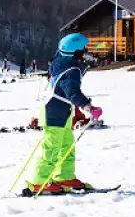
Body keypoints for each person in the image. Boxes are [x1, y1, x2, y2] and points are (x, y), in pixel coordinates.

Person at [25, 33, 102, 194]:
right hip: (54, 111)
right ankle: (40, 180)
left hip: (62, 111)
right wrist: (88, 106)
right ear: (75, 52)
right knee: (52, 147)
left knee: (67, 145)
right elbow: (72, 92)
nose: (86, 52)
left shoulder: (60, 63)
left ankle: (64, 176)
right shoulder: (71, 69)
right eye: (83, 50)